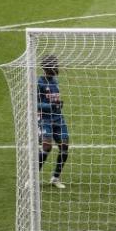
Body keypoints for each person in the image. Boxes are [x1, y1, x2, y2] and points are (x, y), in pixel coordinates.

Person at [37, 54, 69, 189]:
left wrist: (58, 104)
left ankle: (55, 178)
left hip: (58, 118)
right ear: (46, 68)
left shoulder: (55, 81)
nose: (56, 67)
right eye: (54, 65)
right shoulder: (38, 83)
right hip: (44, 119)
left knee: (64, 147)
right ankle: (32, 177)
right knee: (47, 147)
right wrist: (50, 106)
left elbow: (54, 100)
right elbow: (34, 104)